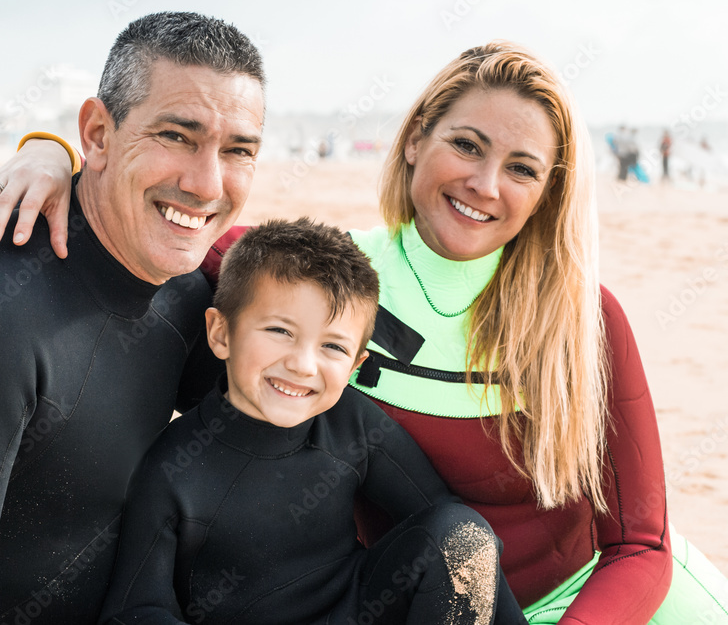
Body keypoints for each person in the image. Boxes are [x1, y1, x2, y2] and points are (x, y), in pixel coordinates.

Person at [0, 42, 728, 623]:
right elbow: (162, 219)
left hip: (599, 601)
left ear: (549, 192)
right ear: (416, 138)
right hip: (408, 594)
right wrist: (56, 157)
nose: (485, 184)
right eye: (466, 144)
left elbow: (642, 546)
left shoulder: (584, 319)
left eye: (522, 168)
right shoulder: (325, 282)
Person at [0, 11, 268, 624]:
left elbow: (289, 426)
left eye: (237, 151)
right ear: (97, 134)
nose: (206, 184)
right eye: (176, 136)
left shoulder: (181, 286)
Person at [100, 217, 528, 624]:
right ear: (221, 333)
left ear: (357, 365)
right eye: (280, 331)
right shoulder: (172, 467)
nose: (303, 365)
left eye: (333, 347)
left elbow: (449, 524)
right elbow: (134, 608)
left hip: (358, 607)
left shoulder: (351, 425)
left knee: (463, 535)